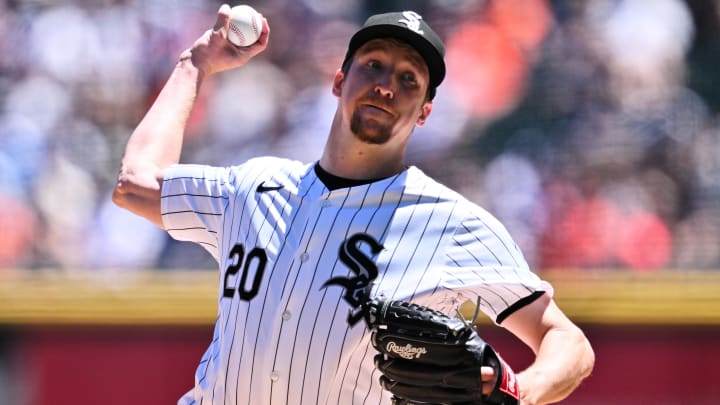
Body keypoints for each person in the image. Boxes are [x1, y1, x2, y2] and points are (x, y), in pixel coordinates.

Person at [113, 5, 594, 405]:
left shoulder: (452, 224)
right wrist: (194, 64)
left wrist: (521, 391)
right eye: (374, 65)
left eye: (409, 78)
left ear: (425, 111)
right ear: (339, 81)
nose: (386, 85)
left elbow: (569, 344)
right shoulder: (253, 187)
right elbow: (135, 184)